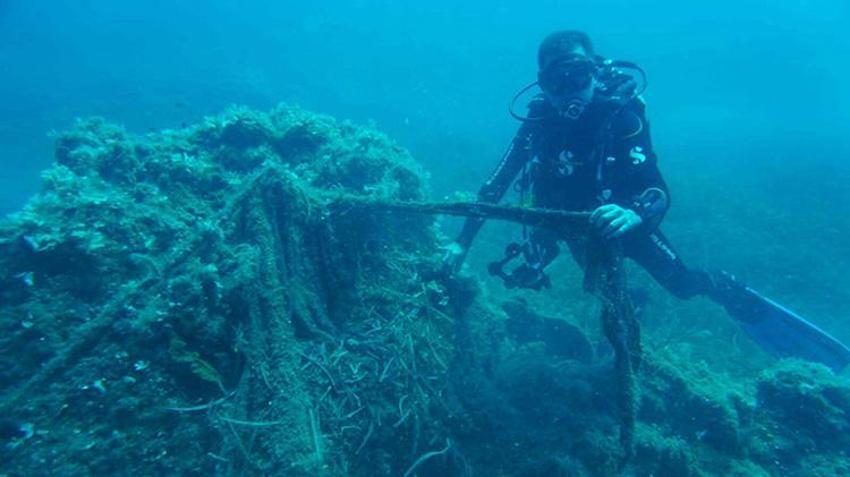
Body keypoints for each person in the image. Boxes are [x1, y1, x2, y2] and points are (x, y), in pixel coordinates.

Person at [442, 30, 850, 371]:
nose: (571, 93)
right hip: (570, 224)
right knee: (591, 287)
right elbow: (494, 187)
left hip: (623, 221)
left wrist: (632, 214)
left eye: (579, 77)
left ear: (595, 73)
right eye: (557, 82)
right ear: (542, 83)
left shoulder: (620, 114)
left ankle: (724, 288)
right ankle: (625, 314)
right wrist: (459, 245)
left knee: (684, 287)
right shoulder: (537, 122)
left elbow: (655, 189)